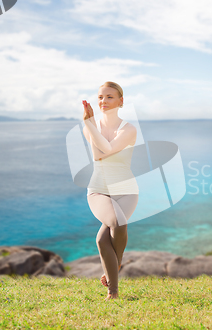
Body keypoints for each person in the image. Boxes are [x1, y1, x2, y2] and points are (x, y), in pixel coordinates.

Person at [82, 81, 139, 300]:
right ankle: (115, 278)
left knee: (102, 239)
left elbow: (106, 150)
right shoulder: (91, 125)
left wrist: (89, 124)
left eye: (109, 97)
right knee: (118, 223)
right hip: (98, 190)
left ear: (121, 101)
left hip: (126, 190)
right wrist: (90, 124)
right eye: (100, 97)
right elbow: (97, 156)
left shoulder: (129, 129)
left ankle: (112, 286)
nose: (103, 101)